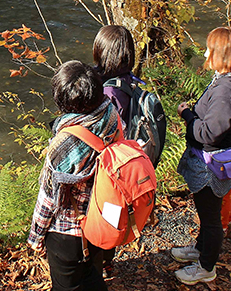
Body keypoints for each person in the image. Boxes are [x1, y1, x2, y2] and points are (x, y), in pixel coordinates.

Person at [172, 27, 231, 285]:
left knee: (211, 219)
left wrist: (187, 115)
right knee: (206, 211)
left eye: (210, 48)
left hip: (212, 164)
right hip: (215, 159)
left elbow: (209, 133)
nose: (206, 52)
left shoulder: (226, 91)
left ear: (220, 54)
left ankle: (206, 267)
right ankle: (200, 249)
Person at [28, 60, 121, 291]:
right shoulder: (110, 114)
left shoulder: (64, 144)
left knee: (66, 285)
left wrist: (36, 236)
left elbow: (48, 198)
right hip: (104, 216)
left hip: (69, 231)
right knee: (92, 275)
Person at [92, 24, 133, 278]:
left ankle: (99, 264)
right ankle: (107, 261)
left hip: (109, 165)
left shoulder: (108, 92)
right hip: (126, 160)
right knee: (114, 212)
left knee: (103, 212)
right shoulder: (128, 81)